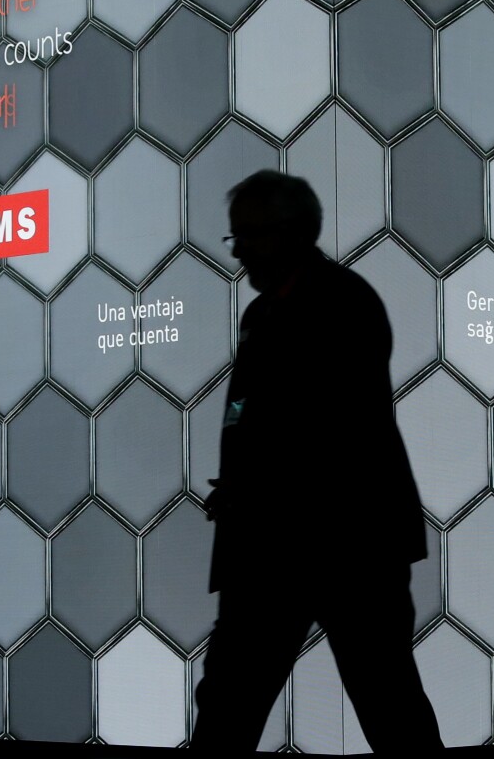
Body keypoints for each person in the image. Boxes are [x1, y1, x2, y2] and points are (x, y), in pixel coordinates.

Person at [190, 170, 444, 753]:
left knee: (387, 702)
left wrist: (253, 488)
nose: (239, 251)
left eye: (249, 235)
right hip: (272, 548)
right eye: (236, 237)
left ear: (293, 232)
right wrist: (241, 486)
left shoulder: (344, 304)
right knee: (231, 702)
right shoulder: (262, 315)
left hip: (348, 547)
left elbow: (336, 433)